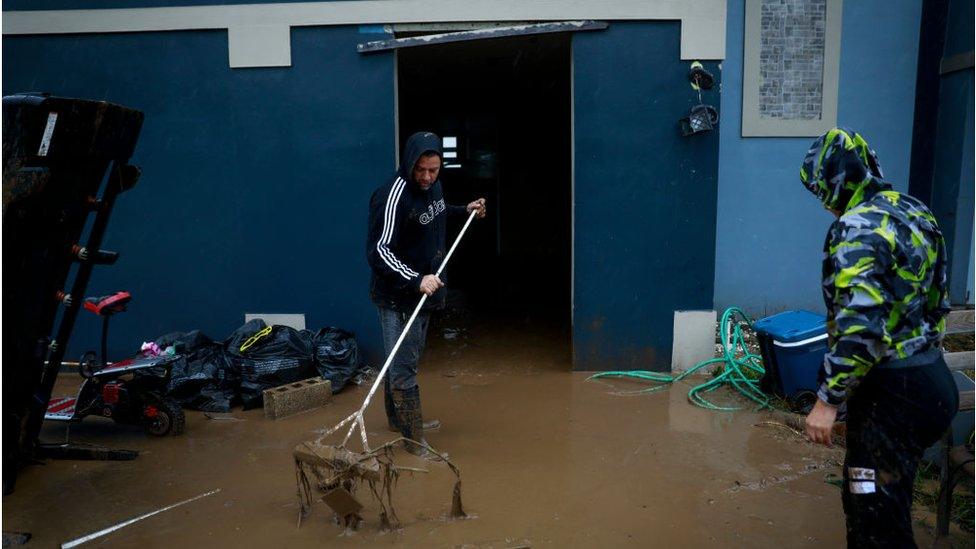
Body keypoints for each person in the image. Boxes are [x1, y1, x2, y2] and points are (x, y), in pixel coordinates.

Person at [799, 128, 958, 547]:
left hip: (893, 400)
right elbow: (938, 300)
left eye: (820, 189)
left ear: (833, 181)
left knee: (875, 516)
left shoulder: (855, 229)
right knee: (873, 498)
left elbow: (862, 327)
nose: (822, 202)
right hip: (933, 384)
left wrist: (827, 401)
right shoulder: (913, 211)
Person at [366, 131, 486, 458]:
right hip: (399, 295)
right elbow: (379, 251)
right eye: (421, 170)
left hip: (425, 290)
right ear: (409, 163)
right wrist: (416, 279)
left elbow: (436, 211)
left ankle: (397, 422)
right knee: (404, 365)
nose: (427, 177)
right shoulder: (392, 195)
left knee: (405, 357)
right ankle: (414, 442)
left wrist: (465, 210)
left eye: (434, 170)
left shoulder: (432, 187)